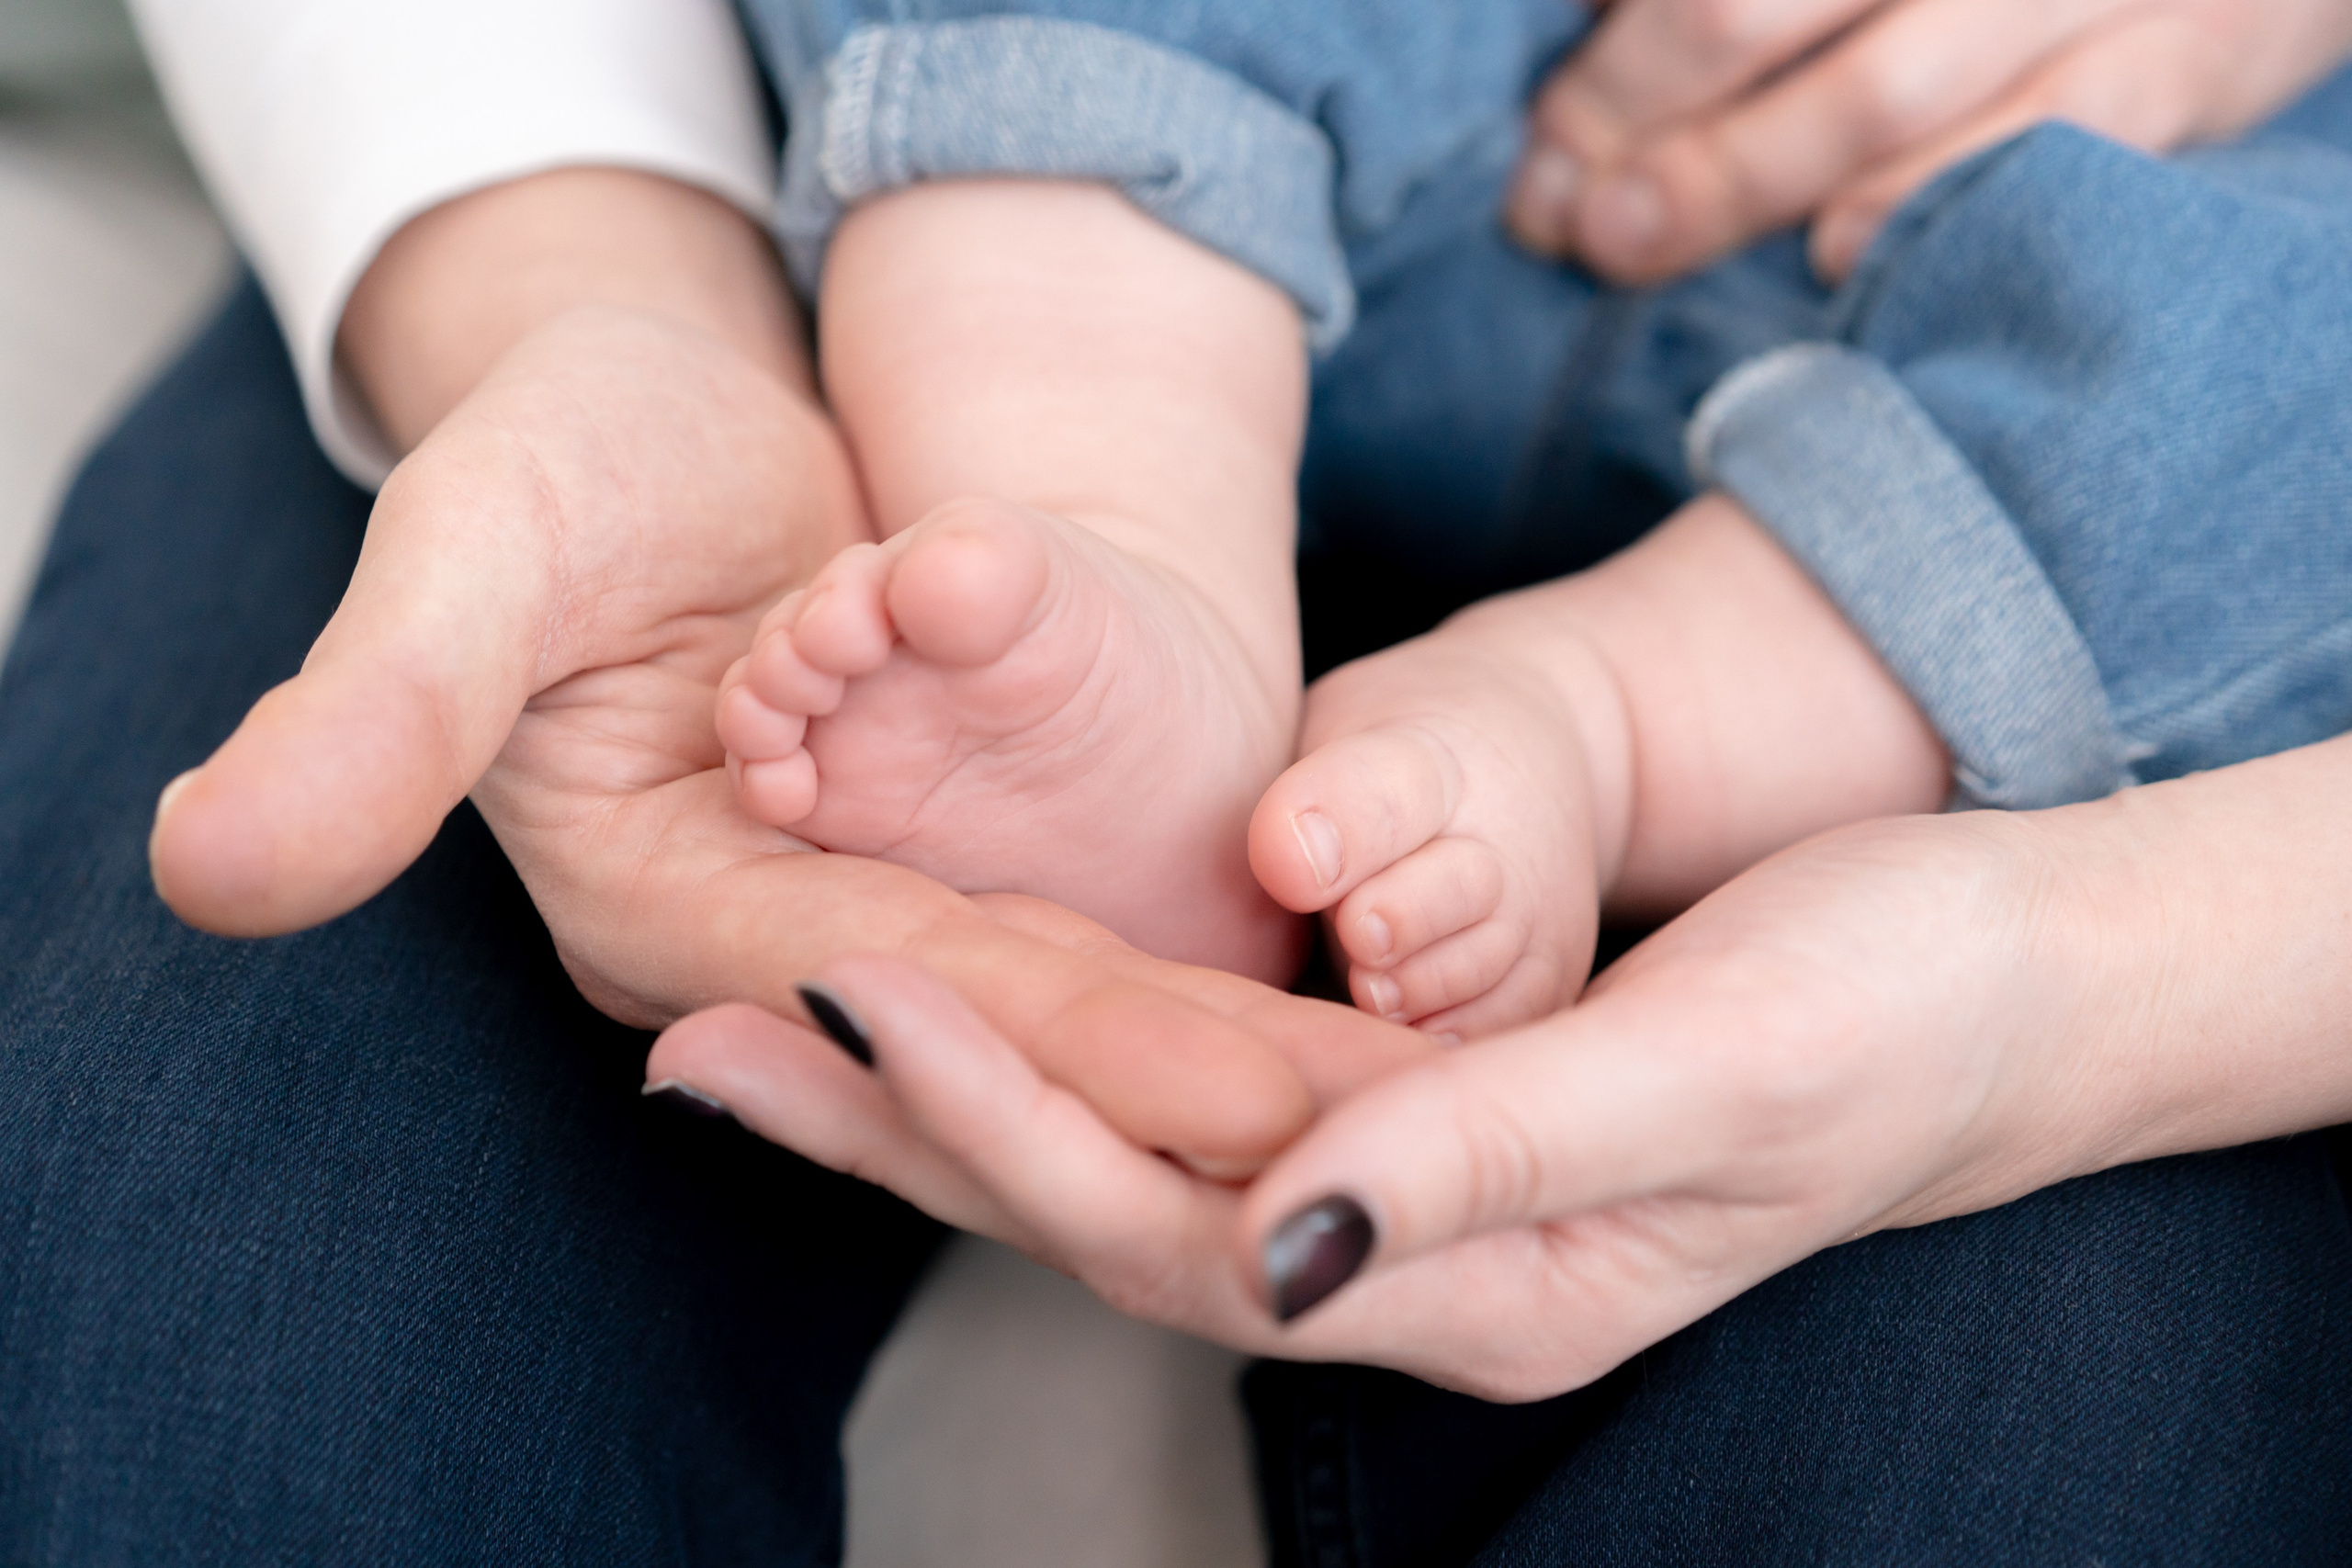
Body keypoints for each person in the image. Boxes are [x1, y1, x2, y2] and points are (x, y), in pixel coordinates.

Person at [0, 0, 2335, 1561]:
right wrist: (548, 266)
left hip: (2107, 363)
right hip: (787, 192)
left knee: (2016, 1460)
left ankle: (1596, 703)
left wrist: (2067, 984)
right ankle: (1103, 524)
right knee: (202, 1266)